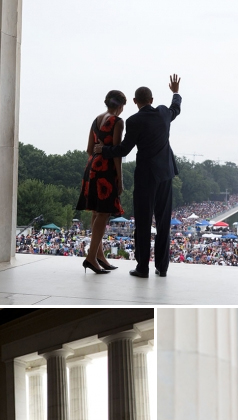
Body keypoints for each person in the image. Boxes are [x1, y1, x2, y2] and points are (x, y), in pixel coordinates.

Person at [95, 74, 182, 278]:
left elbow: (123, 150)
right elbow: (175, 108)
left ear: (135, 102)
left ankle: (143, 267)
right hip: (166, 175)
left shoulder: (134, 120)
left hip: (145, 177)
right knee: (163, 223)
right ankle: (162, 267)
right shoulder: (162, 113)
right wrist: (175, 92)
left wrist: (103, 150)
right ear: (151, 100)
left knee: (143, 223)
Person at [76, 90, 127, 274]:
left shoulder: (96, 119)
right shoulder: (117, 122)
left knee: (96, 212)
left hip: (92, 167)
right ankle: (91, 257)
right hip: (106, 170)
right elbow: (116, 154)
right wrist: (120, 179)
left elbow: (90, 149)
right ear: (121, 106)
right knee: (104, 212)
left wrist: (99, 155)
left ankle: (99, 256)